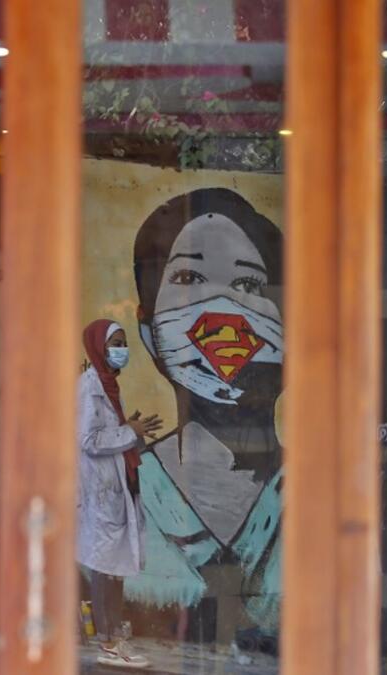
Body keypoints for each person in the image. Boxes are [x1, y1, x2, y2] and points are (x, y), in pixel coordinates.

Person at [125, 188, 284, 642]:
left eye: (249, 285)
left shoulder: (319, 498)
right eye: (189, 278)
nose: (221, 310)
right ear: (149, 332)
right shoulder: (125, 493)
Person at [77, 318, 163, 669]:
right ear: (99, 345)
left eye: (124, 342)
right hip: (102, 493)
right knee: (106, 568)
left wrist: (133, 431)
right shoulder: (89, 387)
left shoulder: (109, 386)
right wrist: (129, 431)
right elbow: (88, 440)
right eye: (116, 342)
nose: (122, 349)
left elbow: (110, 435)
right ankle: (109, 641)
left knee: (114, 567)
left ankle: (113, 637)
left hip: (115, 488)